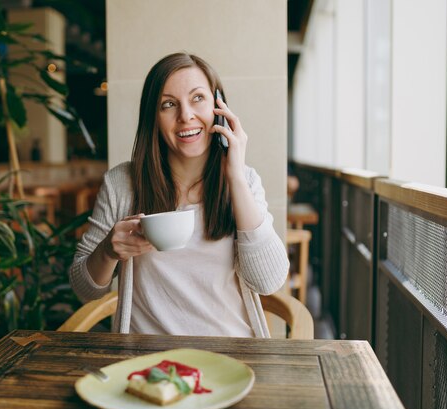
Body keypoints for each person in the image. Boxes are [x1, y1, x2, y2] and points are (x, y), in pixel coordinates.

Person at [69, 52, 289, 337]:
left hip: (232, 358)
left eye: (198, 98)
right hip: (148, 364)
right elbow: (83, 290)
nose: (186, 115)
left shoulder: (244, 180)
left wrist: (235, 176)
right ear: (154, 118)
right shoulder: (122, 184)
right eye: (169, 104)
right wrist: (109, 250)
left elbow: (268, 281)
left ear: (218, 105)